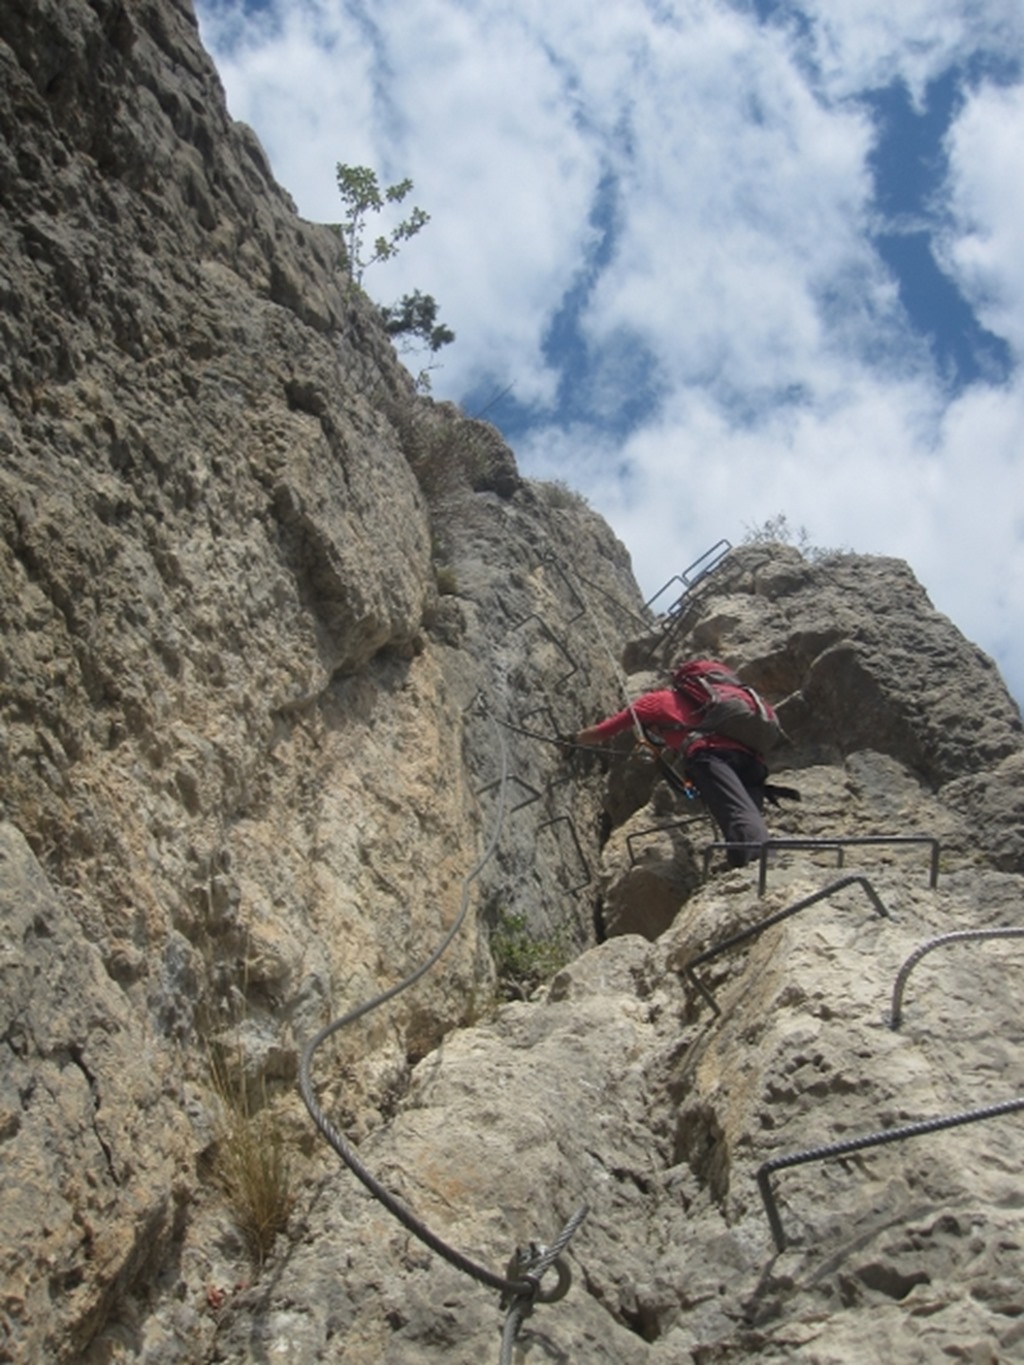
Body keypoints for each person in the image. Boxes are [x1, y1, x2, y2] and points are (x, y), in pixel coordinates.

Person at [570, 665, 771, 868]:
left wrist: (573, 739)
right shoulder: (719, 699)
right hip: (753, 760)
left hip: (711, 755)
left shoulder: (655, 701)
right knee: (748, 813)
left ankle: (753, 864)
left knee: (736, 812)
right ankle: (746, 860)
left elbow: (605, 730)